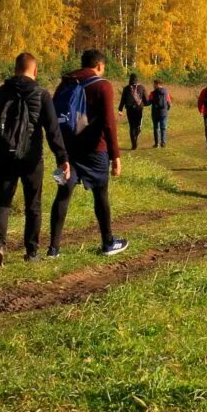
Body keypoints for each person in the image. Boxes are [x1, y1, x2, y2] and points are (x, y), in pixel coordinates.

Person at [0, 53, 71, 268]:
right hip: (32, 158)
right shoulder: (41, 95)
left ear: (15, 69)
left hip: (5, 156)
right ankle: (31, 252)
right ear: (35, 70)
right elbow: (52, 129)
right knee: (33, 205)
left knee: (3, 202)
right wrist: (62, 158)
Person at [48, 50, 128, 257]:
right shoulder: (103, 86)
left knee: (63, 196)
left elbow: (55, 117)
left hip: (69, 151)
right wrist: (115, 156)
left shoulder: (65, 84)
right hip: (95, 150)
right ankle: (108, 243)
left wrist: (60, 152)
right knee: (100, 195)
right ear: (99, 66)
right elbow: (109, 124)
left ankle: (53, 249)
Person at [117, 73, 148, 150]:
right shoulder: (141, 87)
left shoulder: (126, 88)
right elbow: (146, 99)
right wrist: (147, 103)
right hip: (139, 109)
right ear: (137, 79)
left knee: (131, 126)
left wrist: (120, 109)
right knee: (137, 125)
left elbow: (123, 100)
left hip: (129, 109)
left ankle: (133, 143)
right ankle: (136, 138)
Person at [148, 79, 172, 147]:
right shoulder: (166, 92)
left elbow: (148, 102)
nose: (153, 85)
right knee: (163, 128)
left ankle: (156, 143)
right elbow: (169, 103)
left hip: (155, 112)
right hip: (163, 112)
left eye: (154, 84)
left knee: (156, 128)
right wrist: (166, 110)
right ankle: (163, 142)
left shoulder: (152, 93)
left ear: (157, 84)